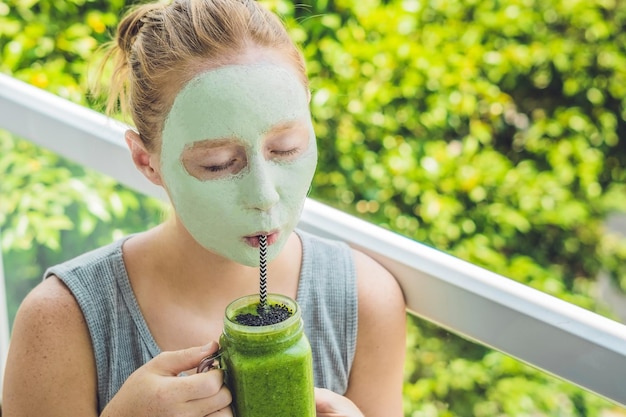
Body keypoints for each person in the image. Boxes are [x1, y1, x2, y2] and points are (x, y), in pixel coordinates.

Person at [2, 0, 406, 415]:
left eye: (285, 149)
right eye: (218, 163)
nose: (264, 195)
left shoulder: (364, 301)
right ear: (147, 161)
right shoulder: (60, 322)